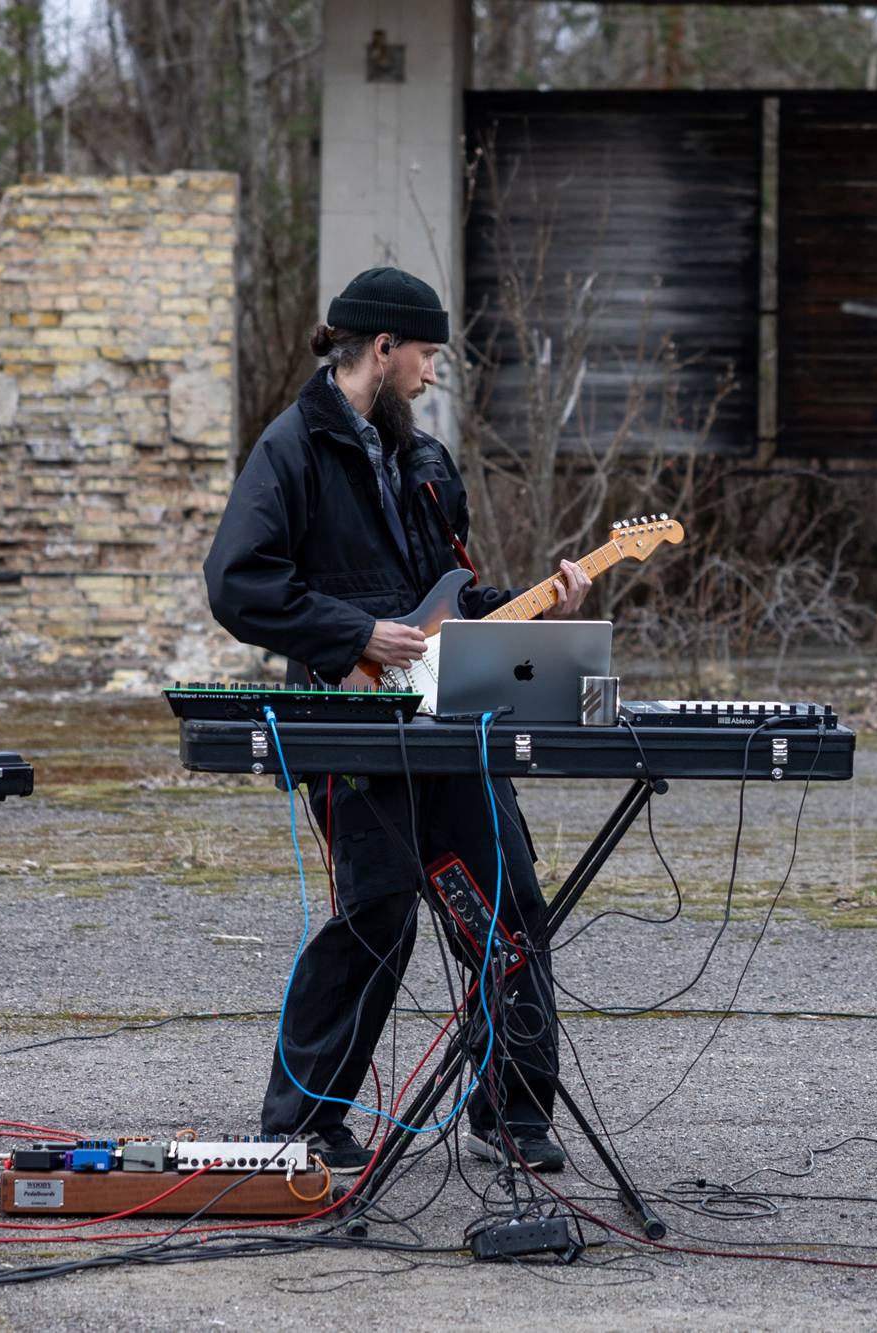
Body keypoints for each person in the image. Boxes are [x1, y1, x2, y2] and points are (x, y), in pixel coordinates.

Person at [205, 266, 595, 1173]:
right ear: (381, 349)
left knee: (508, 908)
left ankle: (513, 1111)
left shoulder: (425, 462)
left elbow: (454, 604)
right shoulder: (291, 449)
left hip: (451, 730)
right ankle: (305, 1123)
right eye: (425, 355)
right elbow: (238, 581)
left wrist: (547, 600)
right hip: (351, 729)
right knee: (376, 918)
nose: (432, 372)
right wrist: (352, 631)